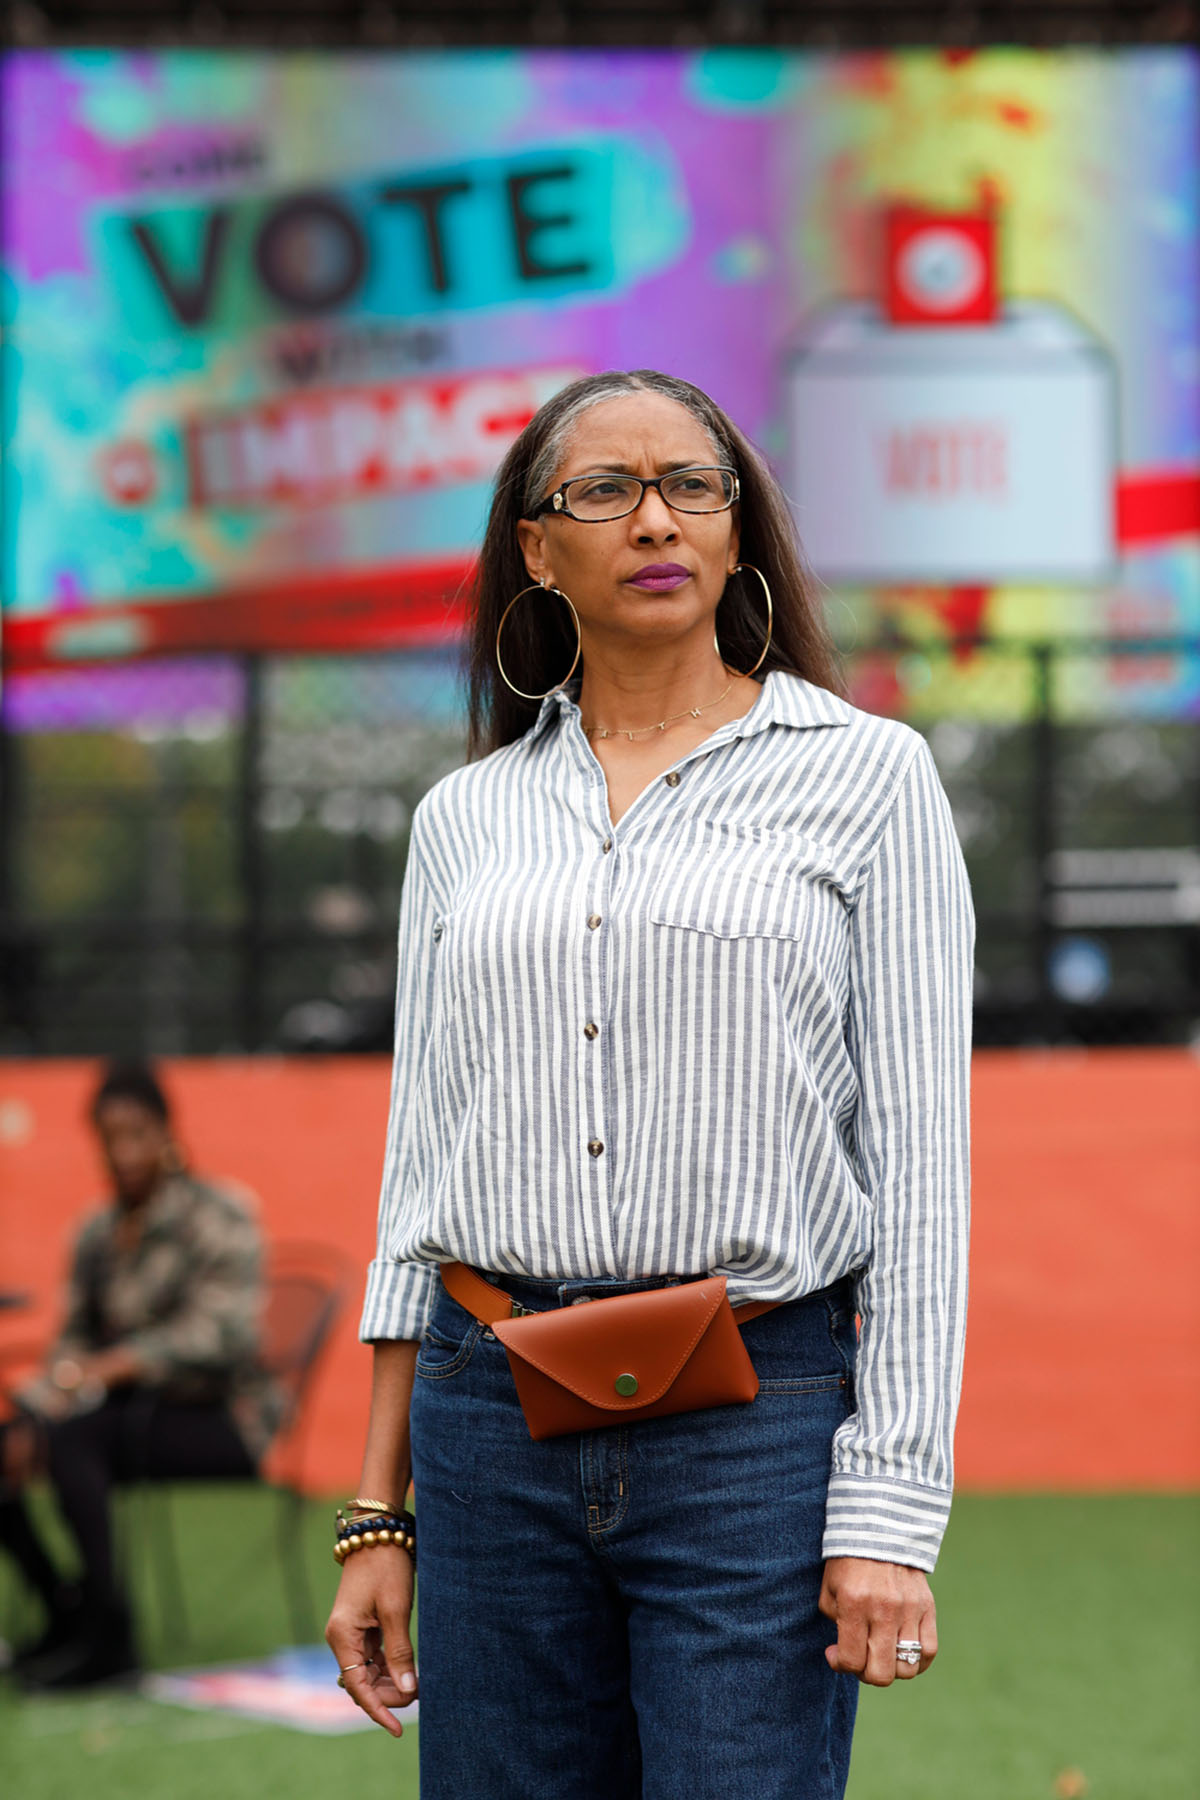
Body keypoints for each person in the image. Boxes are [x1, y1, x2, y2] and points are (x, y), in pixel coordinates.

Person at [325, 369, 974, 1797]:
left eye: (692, 484)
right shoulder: (466, 818)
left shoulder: (870, 778)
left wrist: (888, 1513)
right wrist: (379, 1517)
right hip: (485, 1414)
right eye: (603, 491)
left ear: (740, 530)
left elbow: (923, 1173)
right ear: (537, 549)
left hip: (756, 1419)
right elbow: (418, 1177)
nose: (654, 519)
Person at [0, 1060, 283, 1689]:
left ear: (165, 1132)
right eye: (108, 1136)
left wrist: (112, 1366)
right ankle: (64, 1610)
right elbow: (71, 1340)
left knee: (80, 1438)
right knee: (11, 1441)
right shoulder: (97, 1232)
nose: (122, 1151)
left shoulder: (218, 1213)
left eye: (135, 1133)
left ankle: (112, 1637)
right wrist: (41, 1401)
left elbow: (223, 1336)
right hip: (121, 1412)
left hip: (223, 1418)